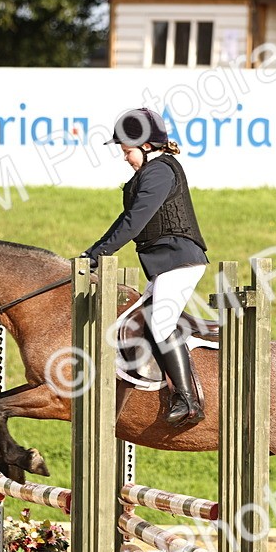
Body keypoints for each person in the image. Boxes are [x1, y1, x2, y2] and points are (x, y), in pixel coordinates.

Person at [81, 109, 209, 427]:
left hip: (179, 261)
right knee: (133, 322)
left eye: (127, 151)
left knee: (161, 323)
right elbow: (129, 220)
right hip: (166, 264)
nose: (125, 158)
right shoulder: (151, 171)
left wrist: (96, 254)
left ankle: (188, 400)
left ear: (147, 146)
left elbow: (134, 221)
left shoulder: (161, 171)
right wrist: (93, 253)